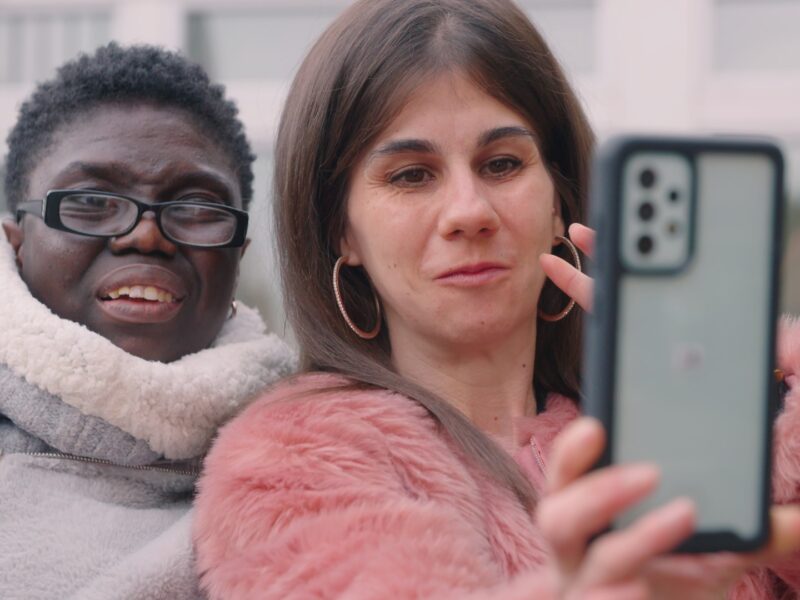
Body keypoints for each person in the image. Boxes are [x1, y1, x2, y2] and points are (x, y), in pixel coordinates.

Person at [193, 0, 800, 597]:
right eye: (411, 174)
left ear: (559, 200)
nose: (469, 212)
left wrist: (745, 369)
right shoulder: (290, 466)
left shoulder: (691, 428)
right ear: (341, 231)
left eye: (502, 163)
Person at [0, 43, 295, 599]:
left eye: (197, 208)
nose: (145, 235)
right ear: (17, 243)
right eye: (91, 201)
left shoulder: (314, 465)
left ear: (236, 258)